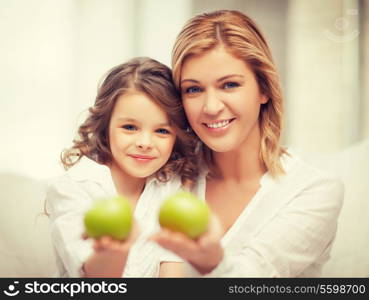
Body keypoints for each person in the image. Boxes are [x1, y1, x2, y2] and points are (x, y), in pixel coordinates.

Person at [152, 10, 344, 277]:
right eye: (193, 89)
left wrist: (211, 262)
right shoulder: (167, 177)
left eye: (229, 85)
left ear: (264, 89)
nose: (211, 107)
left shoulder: (314, 190)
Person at [45, 57, 197, 277]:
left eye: (162, 131)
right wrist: (118, 246)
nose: (145, 142)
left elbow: (172, 270)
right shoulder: (73, 188)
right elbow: (95, 278)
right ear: (105, 126)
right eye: (130, 127)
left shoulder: (172, 187)